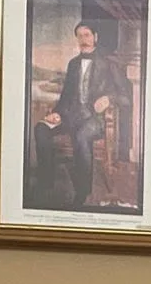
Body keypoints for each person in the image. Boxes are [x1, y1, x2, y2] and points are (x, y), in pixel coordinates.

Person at [31, 20, 132, 210]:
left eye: (87, 35)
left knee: (81, 135)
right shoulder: (73, 64)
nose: (83, 40)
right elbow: (66, 96)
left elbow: (126, 97)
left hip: (95, 119)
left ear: (95, 37)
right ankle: (46, 181)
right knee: (41, 128)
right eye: (79, 36)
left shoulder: (108, 64)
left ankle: (83, 191)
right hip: (70, 116)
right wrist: (56, 113)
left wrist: (109, 99)